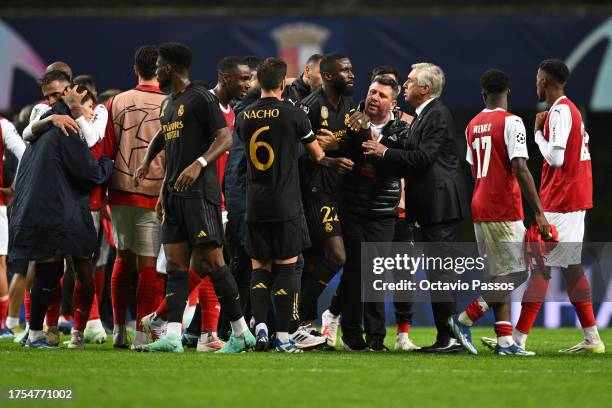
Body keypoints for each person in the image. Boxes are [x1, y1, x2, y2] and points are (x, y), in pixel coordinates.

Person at [134, 42, 254, 353]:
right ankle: (173, 336)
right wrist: (150, 168)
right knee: (175, 266)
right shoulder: (168, 104)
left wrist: (199, 164)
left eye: (159, 66)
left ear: (169, 68)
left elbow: (225, 137)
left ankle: (240, 333)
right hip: (174, 196)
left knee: (213, 262)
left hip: (201, 194)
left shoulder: (201, 97)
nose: (156, 71)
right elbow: (164, 137)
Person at [489, 59, 603, 354]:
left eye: (538, 80)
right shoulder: (568, 110)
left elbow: (556, 158)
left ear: (546, 82)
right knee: (571, 268)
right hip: (571, 200)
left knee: (540, 269)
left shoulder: (561, 111)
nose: (535, 85)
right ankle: (592, 338)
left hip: (563, 202)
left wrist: (537, 133)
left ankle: (518, 339)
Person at [237, 57, 342, 352]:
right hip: (285, 203)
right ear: (283, 83)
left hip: (254, 203)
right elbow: (318, 155)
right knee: (287, 267)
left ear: (260, 82)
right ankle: (283, 336)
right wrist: (335, 157)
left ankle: (259, 327)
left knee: (259, 267)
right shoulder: (294, 115)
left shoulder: (244, 117)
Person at [363, 62, 467, 353]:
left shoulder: (437, 115)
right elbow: (410, 150)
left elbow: (423, 158)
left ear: (424, 88)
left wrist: (384, 151)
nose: (404, 85)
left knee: (442, 272)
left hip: (441, 205)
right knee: (437, 272)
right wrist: (381, 143)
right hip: (431, 206)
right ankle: (445, 336)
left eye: (409, 81)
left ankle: (450, 338)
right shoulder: (425, 115)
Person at [448, 69, 550, 356]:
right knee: (518, 272)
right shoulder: (512, 121)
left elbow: (472, 169)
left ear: (483, 95)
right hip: (502, 206)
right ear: (508, 93)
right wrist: (539, 213)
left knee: (499, 275)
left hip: (480, 203)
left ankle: (505, 342)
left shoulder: (472, 125)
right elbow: (520, 167)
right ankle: (466, 317)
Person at [9, 86, 113, 349]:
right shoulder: (64, 128)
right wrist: (107, 163)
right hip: (50, 212)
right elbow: (90, 174)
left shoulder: (42, 128)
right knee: (49, 271)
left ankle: (37, 332)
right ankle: (35, 334)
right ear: (73, 103)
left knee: (48, 270)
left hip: (32, 209)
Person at [329, 75, 410, 351]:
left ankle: (376, 339)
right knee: (354, 269)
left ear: (393, 102)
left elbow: (396, 165)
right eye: (372, 91)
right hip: (351, 208)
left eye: (382, 95)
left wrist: (376, 142)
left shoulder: (401, 129)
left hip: (382, 212)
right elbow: (343, 149)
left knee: (374, 273)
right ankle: (352, 335)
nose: (375, 97)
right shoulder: (350, 121)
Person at [102, 45, 167, 348]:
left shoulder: (116, 101)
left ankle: (118, 330)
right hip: (154, 192)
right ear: (163, 69)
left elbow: (107, 149)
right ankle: (142, 334)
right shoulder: (171, 104)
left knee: (122, 258)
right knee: (148, 266)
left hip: (118, 191)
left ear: (135, 70)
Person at [298, 53, 355, 343]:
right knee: (336, 256)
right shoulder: (309, 107)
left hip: (341, 192)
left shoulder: (348, 106)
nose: (352, 75)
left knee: (315, 261)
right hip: (316, 192)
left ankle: (302, 323)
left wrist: (338, 142)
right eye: (346, 71)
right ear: (329, 76)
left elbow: (354, 143)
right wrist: (322, 156)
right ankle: (297, 317)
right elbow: (295, 152)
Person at [0, 116, 26, 338]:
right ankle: (3, 323)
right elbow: (25, 154)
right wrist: (14, 188)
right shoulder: (3, 125)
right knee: (0, 263)